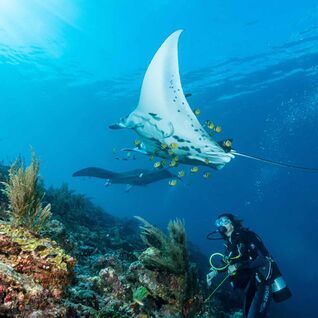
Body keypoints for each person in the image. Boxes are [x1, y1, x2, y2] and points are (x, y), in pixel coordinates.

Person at [206, 213, 291, 318]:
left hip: (263, 280)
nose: (221, 224)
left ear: (232, 223)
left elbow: (262, 259)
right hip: (251, 282)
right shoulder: (230, 243)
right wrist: (214, 272)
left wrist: (237, 266)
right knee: (247, 314)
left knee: (254, 315)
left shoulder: (247, 236)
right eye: (218, 222)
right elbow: (228, 261)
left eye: (225, 221)